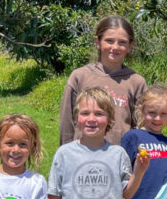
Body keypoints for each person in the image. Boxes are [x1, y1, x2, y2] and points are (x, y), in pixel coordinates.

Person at [58, 15, 146, 146]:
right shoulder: (80, 76)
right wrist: (66, 151)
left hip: (121, 154)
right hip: (83, 153)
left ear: (130, 46)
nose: (115, 47)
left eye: (122, 42)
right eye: (109, 41)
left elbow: (141, 126)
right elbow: (67, 122)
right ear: (98, 42)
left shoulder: (136, 82)